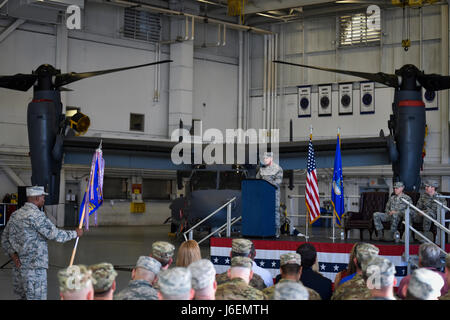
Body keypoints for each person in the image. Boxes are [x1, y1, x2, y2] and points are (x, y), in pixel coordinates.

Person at [0, 186, 83, 300]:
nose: (44, 200)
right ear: (37, 198)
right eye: (43, 197)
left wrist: (13, 256)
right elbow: (55, 235)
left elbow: (4, 237)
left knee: (23, 297)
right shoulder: (36, 216)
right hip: (34, 270)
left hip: (19, 269)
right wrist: (75, 233)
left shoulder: (16, 215)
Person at [256, 151, 283, 238]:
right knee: (262, 212)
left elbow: (277, 183)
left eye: (266, 158)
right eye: (263, 158)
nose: (264, 160)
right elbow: (257, 180)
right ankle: (264, 230)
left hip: (274, 195)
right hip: (263, 195)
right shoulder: (261, 169)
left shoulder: (278, 169)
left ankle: (276, 231)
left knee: (275, 212)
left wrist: (266, 181)